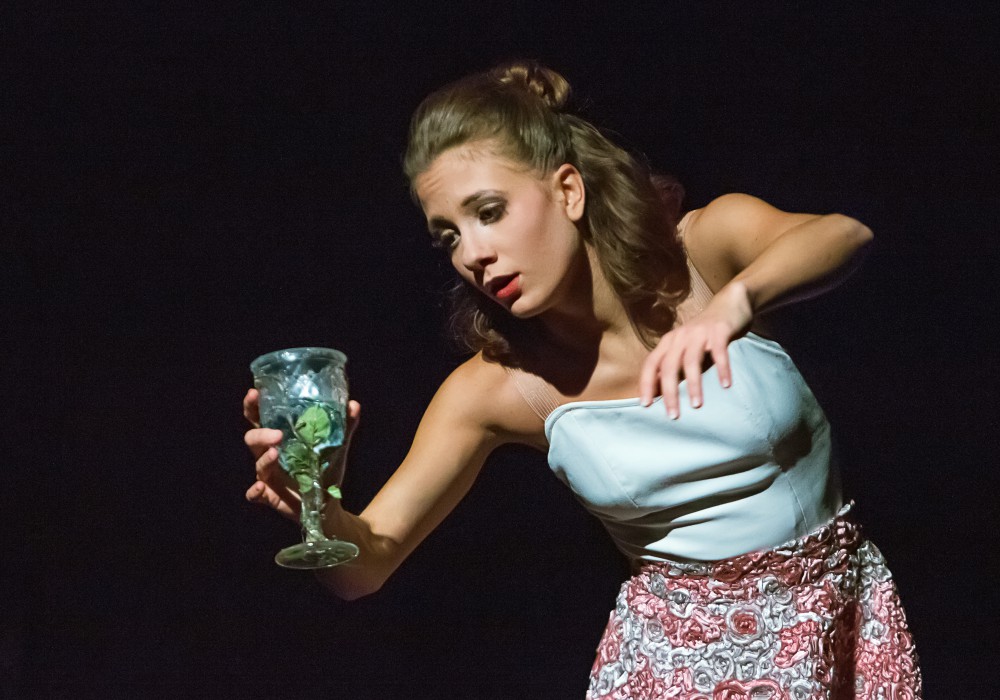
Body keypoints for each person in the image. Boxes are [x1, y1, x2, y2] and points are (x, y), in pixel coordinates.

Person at [243, 61, 921, 698]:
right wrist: (317, 507)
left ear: (567, 190)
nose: (474, 254)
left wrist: (731, 306)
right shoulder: (496, 389)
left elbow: (845, 235)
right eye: (448, 236)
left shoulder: (705, 252)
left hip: (839, 625)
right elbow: (364, 569)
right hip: (673, 666)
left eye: (489, 212)